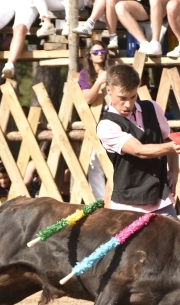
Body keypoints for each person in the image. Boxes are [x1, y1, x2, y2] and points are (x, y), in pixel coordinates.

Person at [95, 64, 180, 305]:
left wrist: (173, 170)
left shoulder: (152, 108)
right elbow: (142, 150)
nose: (128, 104)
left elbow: (170, 146)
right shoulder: (107, 125)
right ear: (108, 92)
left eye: (132, 96)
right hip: (126, 209)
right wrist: (172, 148)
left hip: (161, 203)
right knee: (114, 275)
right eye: (122, 98)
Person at [79, 40, 112, 199]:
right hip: (95, 123)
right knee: (95, 164)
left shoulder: (113, 70)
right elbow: (87, 99)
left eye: (102, 52)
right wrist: (99, 81)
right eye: (95, 52)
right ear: (89, 56)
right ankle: (100, 201)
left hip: (114, 121)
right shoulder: (85, 74)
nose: (99, 54)